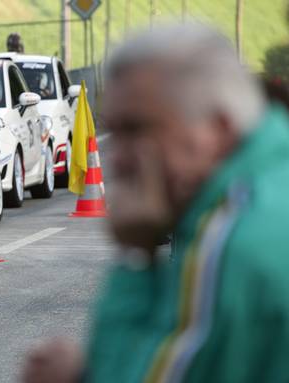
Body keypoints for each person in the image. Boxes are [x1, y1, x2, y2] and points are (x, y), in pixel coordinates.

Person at [23, 23, 289, 383]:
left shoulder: (230, 242)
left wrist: (137, 257)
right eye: (114, 133)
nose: (116, 159)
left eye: (137, 130)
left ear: (218, 128)